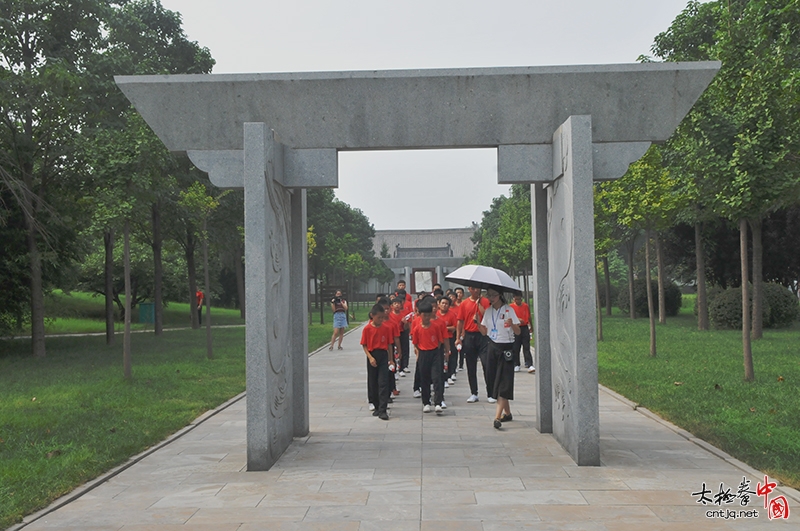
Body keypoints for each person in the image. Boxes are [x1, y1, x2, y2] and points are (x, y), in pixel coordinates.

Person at [479, 288, 520, 429]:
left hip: (506, 348)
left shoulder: (509, 310)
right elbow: (485, 332)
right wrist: (477, 323)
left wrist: (512, 324)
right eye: (489, 295)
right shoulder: (489, 311)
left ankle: (497, 417)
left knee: (504, 382)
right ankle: (507, 413)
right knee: (494, 380)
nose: (491, 298)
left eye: (493, 295)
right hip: (492, 347)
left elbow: (518, 331)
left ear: (500, 295)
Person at [411, 299, 449, 413]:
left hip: (435, 353)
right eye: (424, 315)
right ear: (420, 315)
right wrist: (419, 353)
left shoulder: (436, 326)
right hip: (423, 353)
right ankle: (426, 402)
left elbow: (440, 340)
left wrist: (443, 351)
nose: (427, 318)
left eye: (429, 315)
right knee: (424, 379)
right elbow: (416, 343)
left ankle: (438, 402)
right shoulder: (417, 328)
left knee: (437, 377)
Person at [360, 304, 396, 421]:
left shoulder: (386, 328)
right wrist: (370, 357)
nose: (381, 320)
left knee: (383, 382)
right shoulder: (367, 329)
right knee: (373, 382)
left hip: (383, 355)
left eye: (382, 317)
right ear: (372, 316)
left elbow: (390, 344)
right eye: (379, 317)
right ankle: (375, 405)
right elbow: (364, 345)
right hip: (372, 355)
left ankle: (383, 409)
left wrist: (391, 359)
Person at [455, 286, 489, 403]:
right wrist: (458, 337)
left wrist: (480, 306)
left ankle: (490, 392)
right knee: (471, 365)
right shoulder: (464, 304)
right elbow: (460, 320)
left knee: (486, 364)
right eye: (474, 288)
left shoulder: (485, 301)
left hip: (483, 335)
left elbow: (489, 316)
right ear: (469, 289)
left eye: (478, 288)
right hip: (469, 336)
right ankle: (474, 393)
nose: (476, 290)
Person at [510, 293, 535, 373]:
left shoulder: (525, 306)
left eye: (519, 299)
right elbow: (509, 317)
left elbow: (529, 317)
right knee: (516, 347)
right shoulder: (511, 307)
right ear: (513, 299)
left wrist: (531, 326)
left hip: (524, 327)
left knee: (526, 346)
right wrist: (517, 319)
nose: (518, 301)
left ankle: (529, 363)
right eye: (516, 299)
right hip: (516, 327)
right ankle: (516, 364)